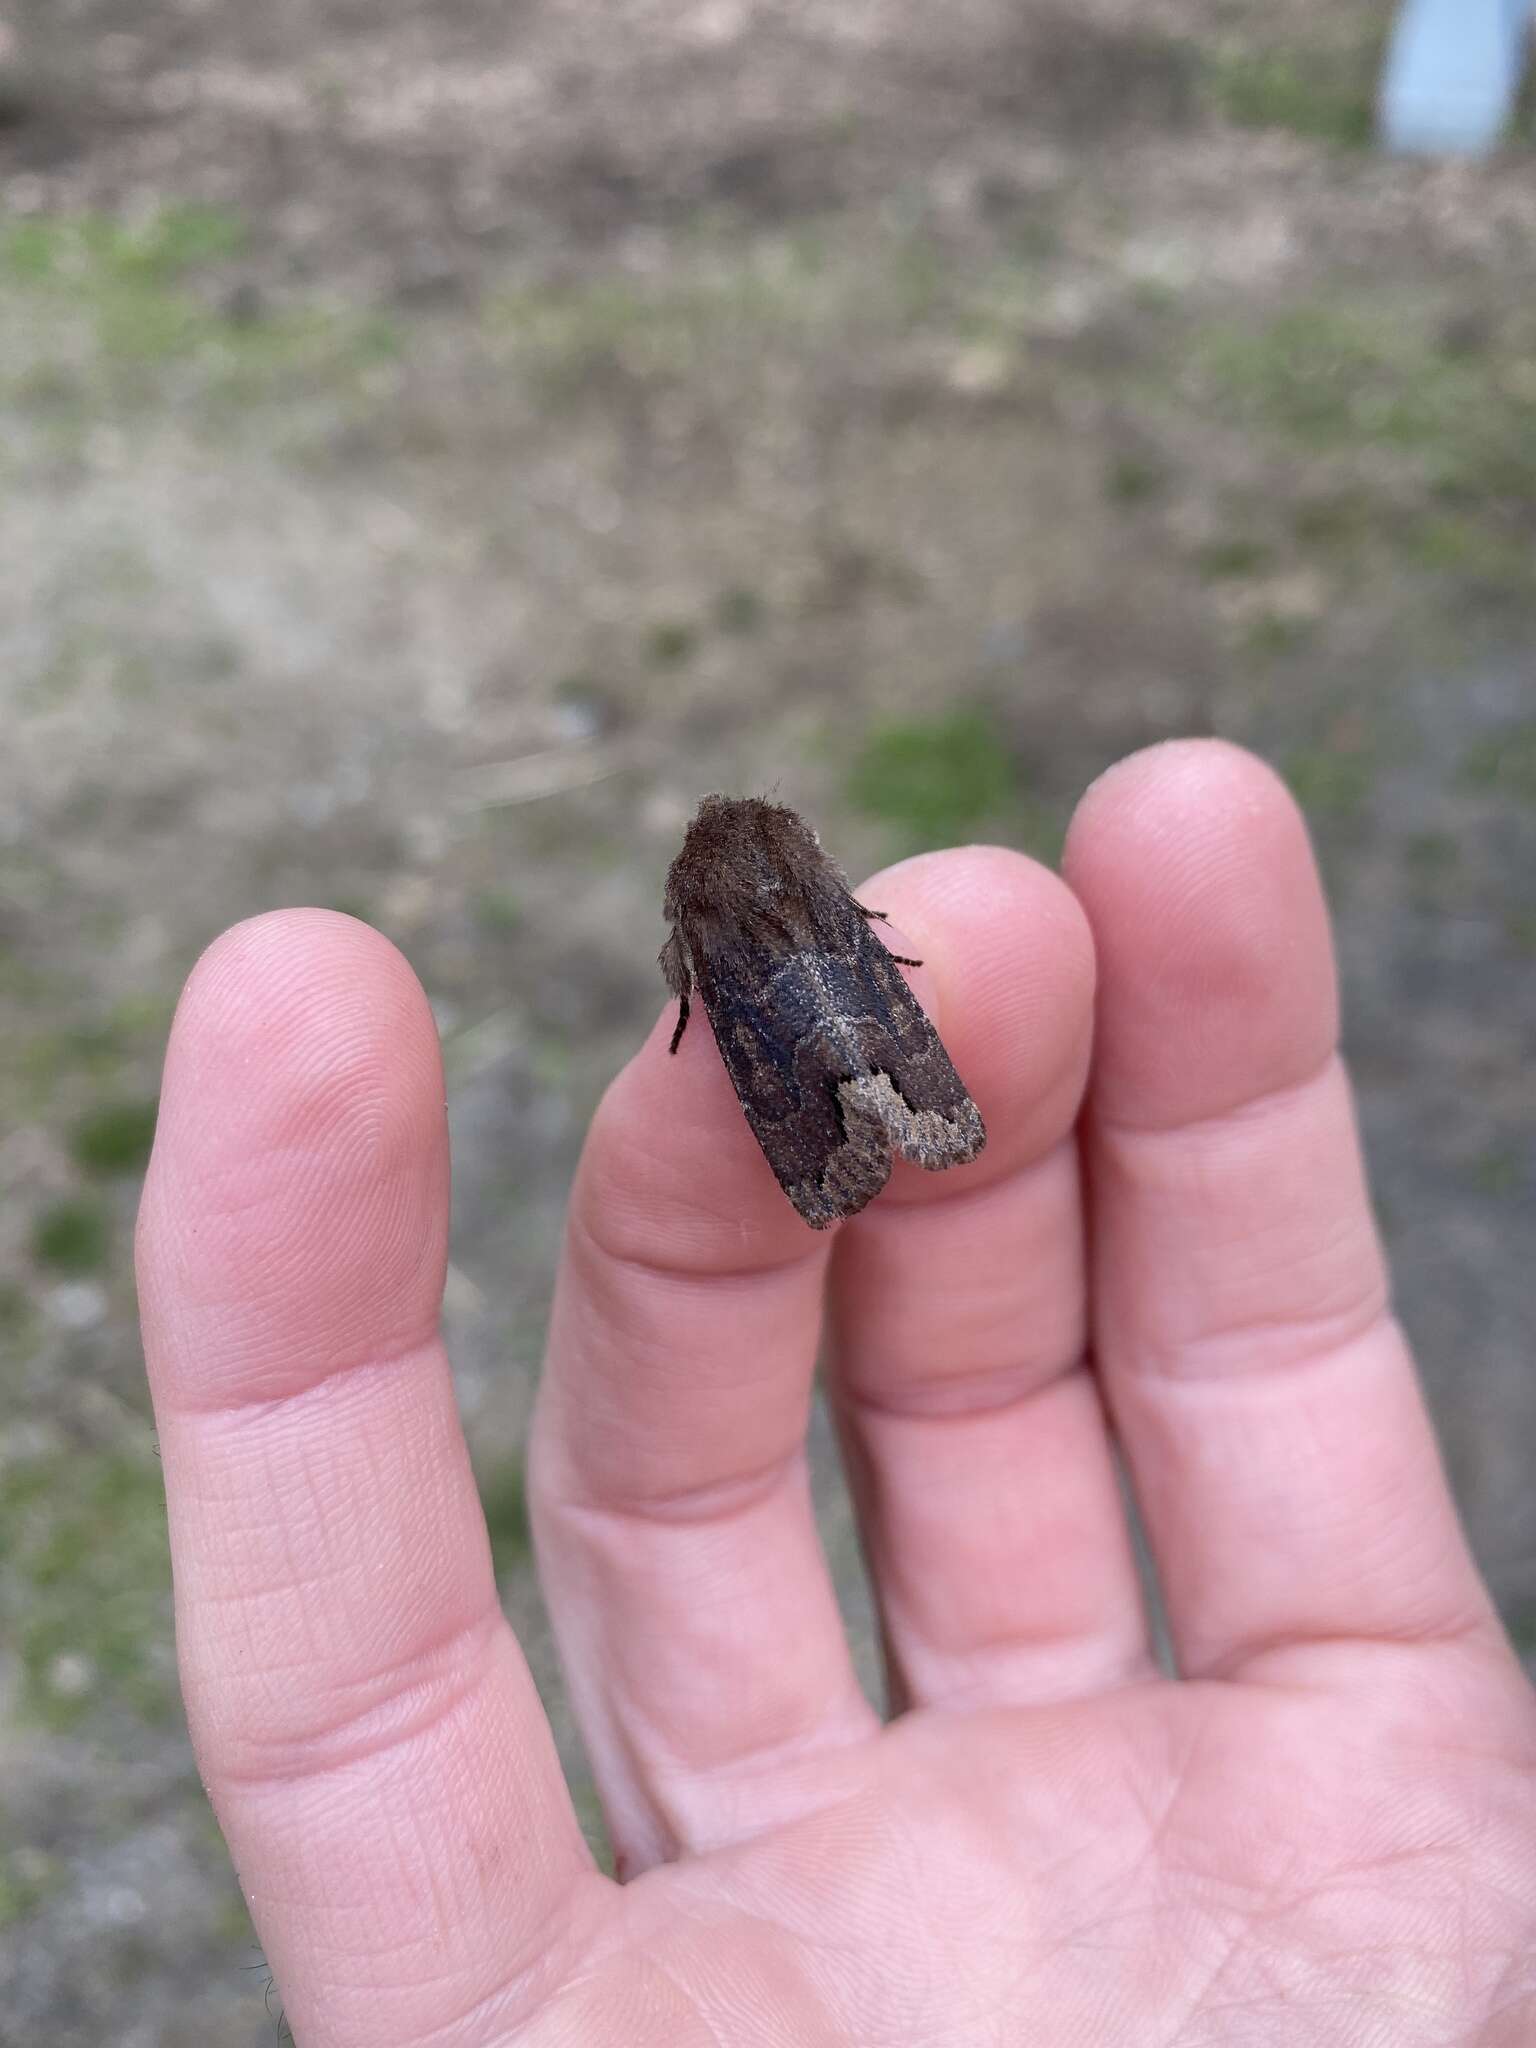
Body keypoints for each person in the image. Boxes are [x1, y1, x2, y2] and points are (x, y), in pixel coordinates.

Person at [136, 740, 1536, 2045]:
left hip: (778, 1047)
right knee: (950, 997)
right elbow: (845, 940)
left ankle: (850, 1122)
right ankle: (890, 1095)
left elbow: (710, 985)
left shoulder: (703, 905)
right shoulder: (791, 867)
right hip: (864, 999)